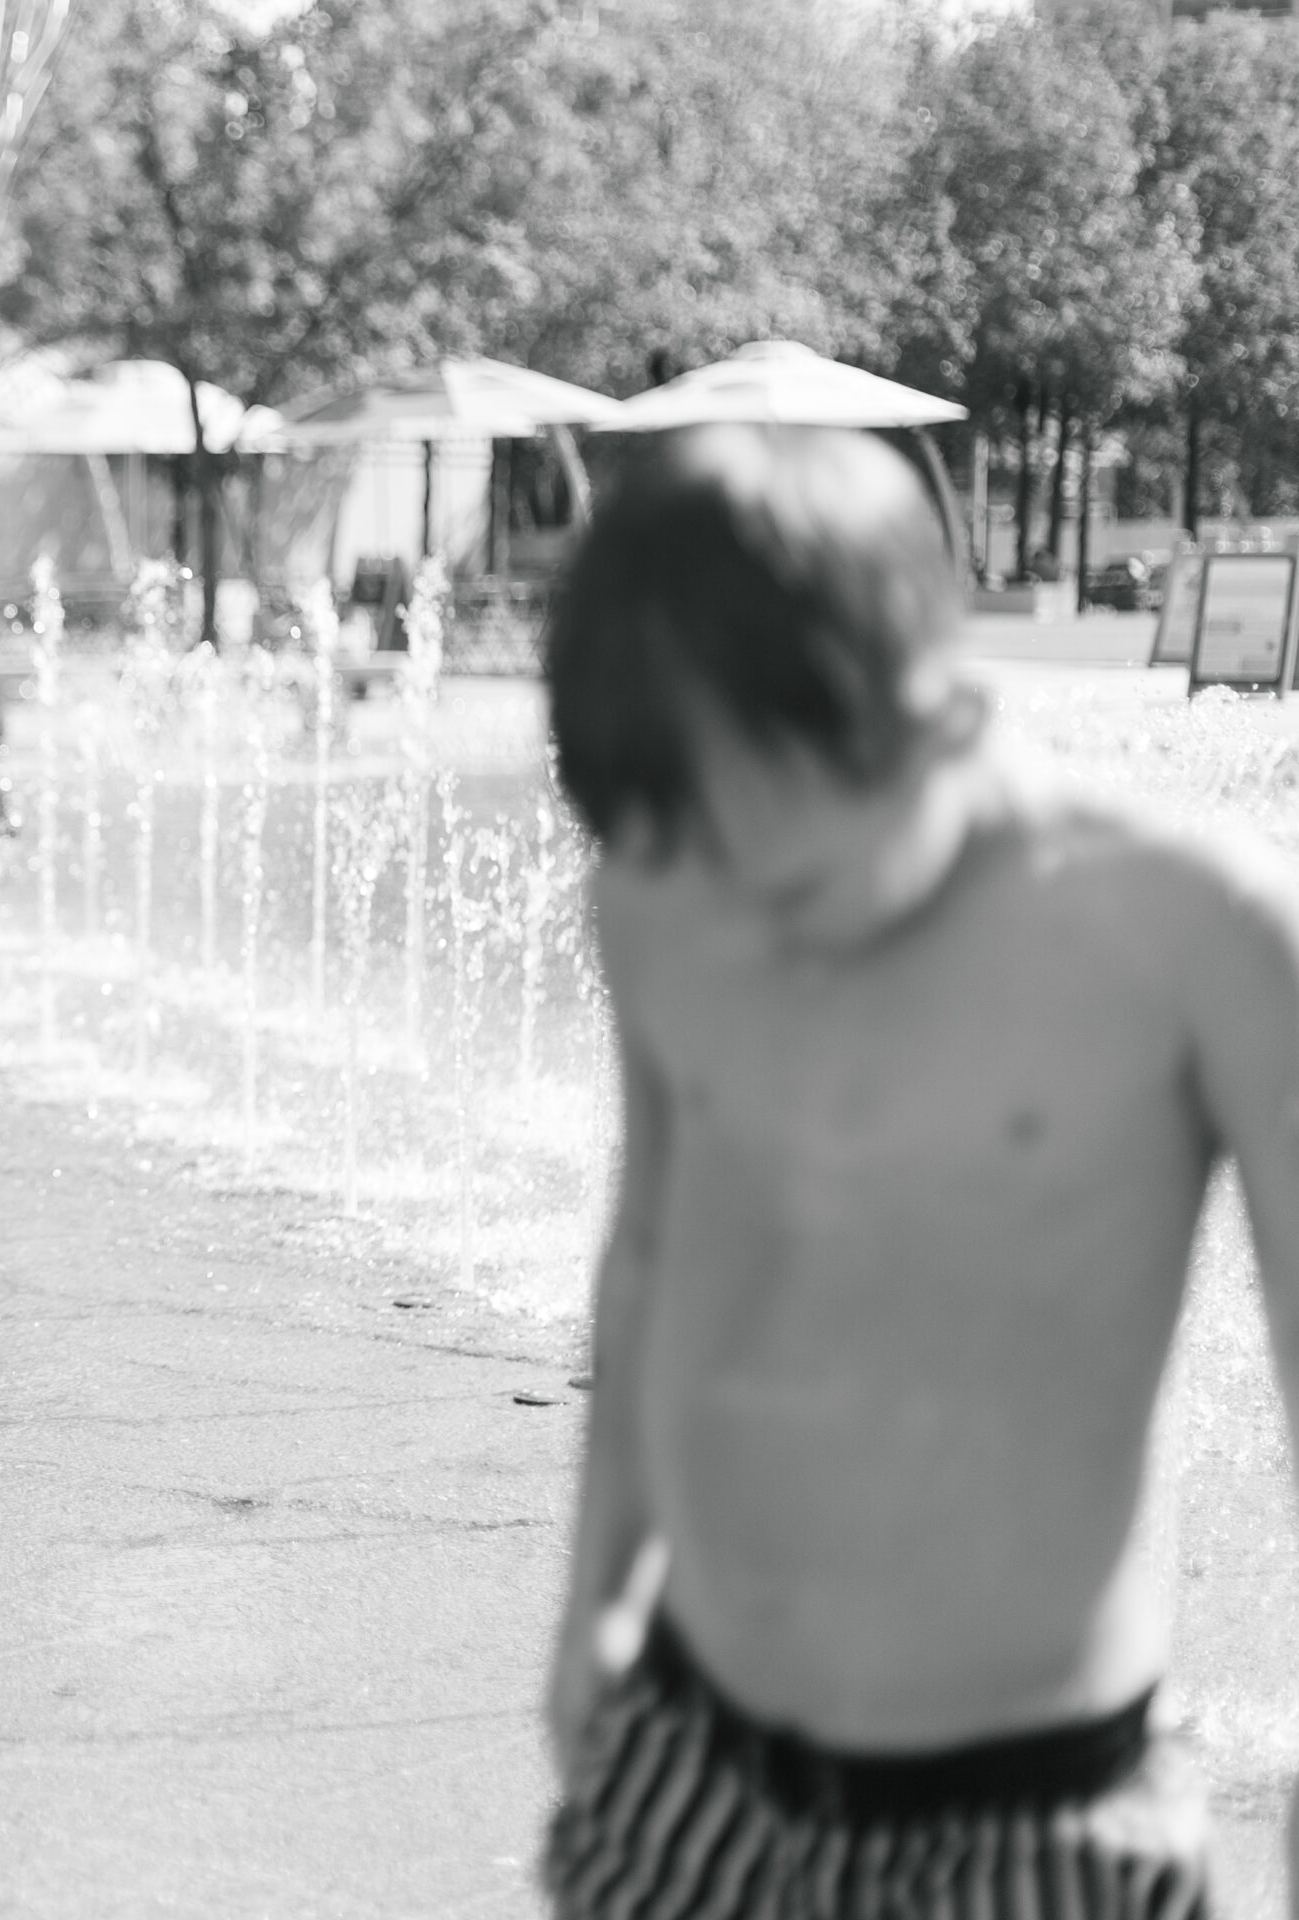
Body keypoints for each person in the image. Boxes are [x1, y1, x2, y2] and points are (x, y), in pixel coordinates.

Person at [537, 424, 1299, 1917]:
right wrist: (588, 1607)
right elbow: (650, 1259)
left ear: (942, 712)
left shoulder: (1193, 939)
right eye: (689, 872)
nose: (748, 927)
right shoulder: (671, 884)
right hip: (689, 1767)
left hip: (1030, 1823)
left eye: (802, 884)